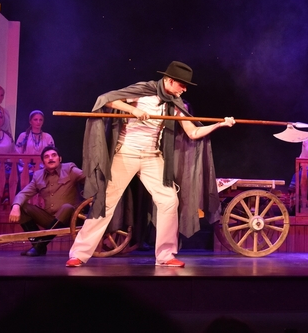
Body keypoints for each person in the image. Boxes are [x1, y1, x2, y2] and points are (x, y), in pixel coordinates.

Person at [66, 61, 235, 268]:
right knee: (106, 202)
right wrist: (133, 110)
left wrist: (220, 124)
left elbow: (193, 132)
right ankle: (79, 253)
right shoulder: (143, 92)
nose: (184, 89)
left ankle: (165, 255)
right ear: (169, 81)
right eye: (182, 85)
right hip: (126, 154)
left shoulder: (174, 104)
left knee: (169, 200)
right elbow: (106, 100)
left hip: (152, 157)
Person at [8, 146, 85, 256]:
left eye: (54, 155)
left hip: (72, 218)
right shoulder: (38, 176)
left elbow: (88, 178)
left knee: (66, 207)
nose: (51, 158)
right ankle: (39, 247)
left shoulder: (70, 169)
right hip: (51, 220)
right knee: (21, 206)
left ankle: (38, 247)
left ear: (60, 159)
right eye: (46, 157)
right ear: (43, 162)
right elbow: (23, 194)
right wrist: (16, 206)